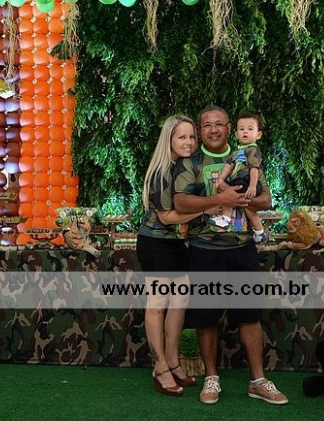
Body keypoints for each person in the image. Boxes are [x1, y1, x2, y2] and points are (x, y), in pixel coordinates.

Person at [173, 105, 289, 405]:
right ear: (200, 130)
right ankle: (211, 378)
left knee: (250, 316)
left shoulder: (246, 156)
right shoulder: (191, 162)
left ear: (229, 128)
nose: (213, 129)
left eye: (219, 124)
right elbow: (181, 202)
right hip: (204, 250)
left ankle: (258, 381)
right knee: (206, 317)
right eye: (207, 125)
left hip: (241, 250)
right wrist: (219, 198)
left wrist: (242, 199)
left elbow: (266, 199)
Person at [137, 115, 219, 397]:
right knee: (157, 304)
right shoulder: (161, 171)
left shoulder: (184, 168)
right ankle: (159, 366)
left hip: (176, 245)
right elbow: (167, 217)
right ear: (169, 140)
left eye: (191, 137)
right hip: (155, 243)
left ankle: (173, 361)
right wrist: (206, 209)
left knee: (180, 301)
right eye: (182, 137)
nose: (189, 142)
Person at [208, 113, 267, 243]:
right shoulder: (237, 151)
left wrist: (252, 185)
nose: (245, 132)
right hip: (240, 181)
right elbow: (228, 165)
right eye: (241, 129)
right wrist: (221, 179)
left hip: (247, 181)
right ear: (236, 134)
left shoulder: (253, 150)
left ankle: (225, 219)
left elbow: (254, 168)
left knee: (228, 195)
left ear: (258, 134)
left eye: (250, 129)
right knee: (249, 208)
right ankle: (259, 232)